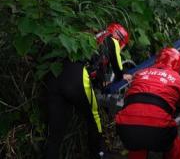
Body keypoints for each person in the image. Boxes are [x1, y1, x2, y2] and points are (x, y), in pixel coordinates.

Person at [45, 23, 131, 159]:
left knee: (56, 132)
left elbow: (93, 70)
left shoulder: (88, 38)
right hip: (76, 77)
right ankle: (98, 153)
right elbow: (118, 69)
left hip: (54, 76)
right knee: (93, 117)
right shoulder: (112, 40)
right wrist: (121, 77)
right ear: (119, 38)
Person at [115, 48, 180, 159]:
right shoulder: (178, 79)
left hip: (125, 126)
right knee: (173, 140)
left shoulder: (140, 73)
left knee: (136, 142)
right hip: (159, 130)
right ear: (178, 65)